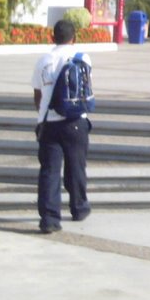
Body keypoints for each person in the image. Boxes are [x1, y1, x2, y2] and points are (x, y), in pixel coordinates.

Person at [32, 19, 92, 234]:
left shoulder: (43, 61)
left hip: (50, 123)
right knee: (76, 167)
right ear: (74, 37)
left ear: (52, 37)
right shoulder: (82, 58)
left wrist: (42, 115)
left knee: (49, 171)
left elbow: (38, 95)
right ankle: (79, 208)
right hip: (76, 121)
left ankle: (49, 219)